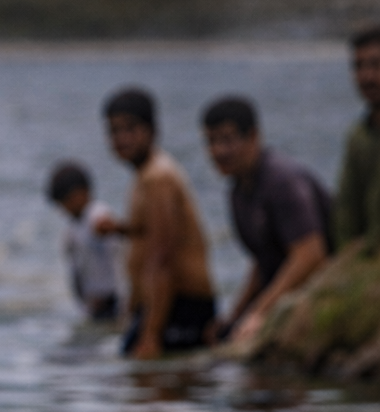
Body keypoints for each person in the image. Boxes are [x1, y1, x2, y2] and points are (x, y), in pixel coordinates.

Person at [201, 95, 332, 344]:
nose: (218, 151)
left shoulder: (282, 181)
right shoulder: (239, 190)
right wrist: (234, 318)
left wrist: (259, 314)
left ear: (253, 136)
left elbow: (310, 254)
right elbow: (265, 262)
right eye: (211, 141)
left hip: (323, 288)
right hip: (288, 294)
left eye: (227, 140)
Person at [96, 87, 216, 359]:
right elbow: (149, 232)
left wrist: (151, 333)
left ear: (151, 130)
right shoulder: (144, 176)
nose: (121, 138)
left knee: (155, 392)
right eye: (114, 131)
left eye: (130, 129)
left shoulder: (158, 178)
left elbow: (163, 257)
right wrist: (119, 229)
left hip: (181, 306)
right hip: (163, 308)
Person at [46, 161, 125, 320]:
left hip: (112, 300)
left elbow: (107, 226)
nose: (63, 210)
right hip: (93, 304)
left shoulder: (96, 213)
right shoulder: (74, 226)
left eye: (65, 202)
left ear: (80, 193)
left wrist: (125, 228)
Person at [335, 24, 380, 257]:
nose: (367, 76)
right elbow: (346, 218)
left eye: (375, 64)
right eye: (358, 66)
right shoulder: (359, 137)